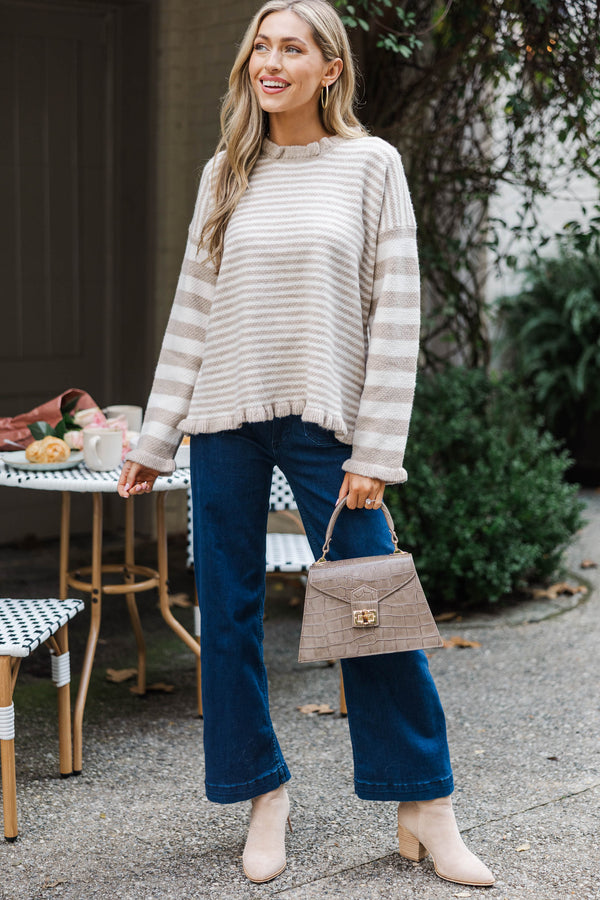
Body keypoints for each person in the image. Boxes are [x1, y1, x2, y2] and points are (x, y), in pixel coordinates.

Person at [118, 0, 495, 887]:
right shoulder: (227, 172)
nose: (270, 61)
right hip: (224, 420)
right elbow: (195, 310)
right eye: (261, 46)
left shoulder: (371, 166)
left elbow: (396, 311)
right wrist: (156, 431)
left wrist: (377, 450)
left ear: (331, 67)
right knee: (229, 612)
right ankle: (263, 793)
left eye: (292, 47)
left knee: (372, 604)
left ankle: (425, 803)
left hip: (329, 421)